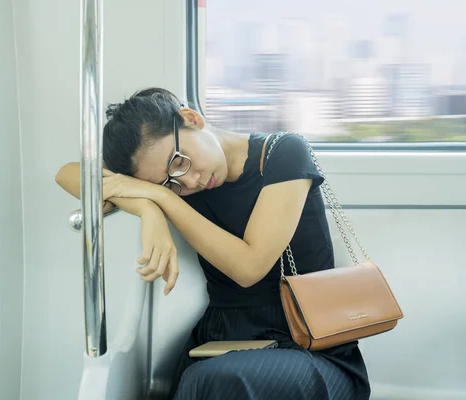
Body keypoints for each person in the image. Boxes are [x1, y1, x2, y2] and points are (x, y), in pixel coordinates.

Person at [55, 87, 370, 400]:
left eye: (179, 162)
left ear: (191, 118)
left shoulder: (283, 153)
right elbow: (67, 174)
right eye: (166, 183)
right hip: (223, 337)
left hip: (309, 344)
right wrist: (147, 209)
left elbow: (250, 267)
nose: (187, 182)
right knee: (204, 381)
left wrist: (162, 197)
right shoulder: (178, 184)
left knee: (214, 382)